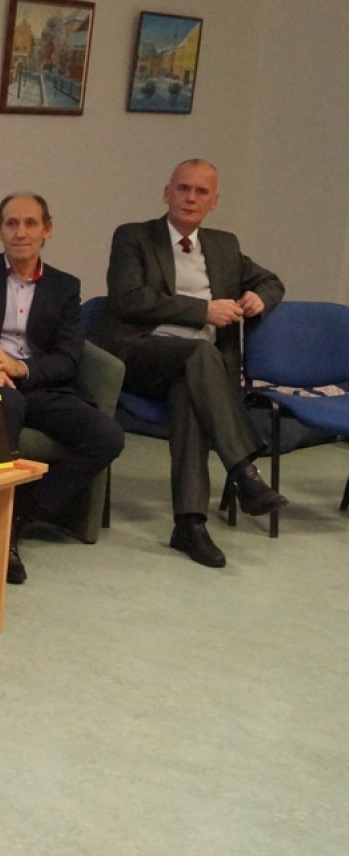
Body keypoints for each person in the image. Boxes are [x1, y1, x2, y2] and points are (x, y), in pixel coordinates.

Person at [90, 159, 287, 568]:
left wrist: (259, 298)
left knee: (189, 389)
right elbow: (129, 299)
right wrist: (202, 311)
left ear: (215, 201)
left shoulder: (224, 245)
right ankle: (244, 471)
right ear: (167, 193)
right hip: (140, 354)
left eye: (201, 192)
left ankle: (190, 524)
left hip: (195, 370)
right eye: (183, 189)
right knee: (198, 353)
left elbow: (271, 281)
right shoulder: (134, 237)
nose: (190, 198)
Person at [0, 193, 125, 583]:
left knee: (108, 436)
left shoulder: (65, 286)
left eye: (31, 223)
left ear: (47, 230)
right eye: (11, 223)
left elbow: (69, 358)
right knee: (4, 407)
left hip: (42, 385)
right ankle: (4, 539)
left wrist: (21, 367)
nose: (21, 232)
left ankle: (23, 511)